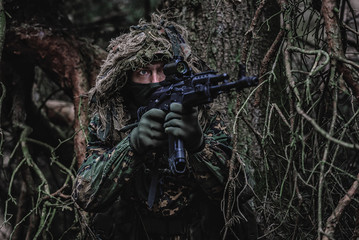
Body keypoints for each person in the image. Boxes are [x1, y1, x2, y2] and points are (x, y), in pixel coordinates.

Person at [72, 14, 258, 240]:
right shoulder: (110, 119)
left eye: (162, 70)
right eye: (143, 72)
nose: (155, 80)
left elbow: (239, 192)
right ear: (125, 77)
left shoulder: (201, 115)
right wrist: (132, 146)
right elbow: (86, 196)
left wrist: (198, 146)